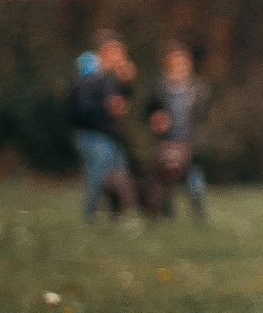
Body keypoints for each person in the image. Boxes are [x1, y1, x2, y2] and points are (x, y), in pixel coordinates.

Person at [69, 35, 137, 222]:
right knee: (97, 179)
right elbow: (81, 107)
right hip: (92, 136)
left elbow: (119, 103)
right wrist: (106, 107)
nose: (122, 57)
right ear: (105, 52)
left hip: (108, 136)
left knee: (119, 176)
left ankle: (116, 216)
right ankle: (90, 217)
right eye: (118, 52)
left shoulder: (108, 78)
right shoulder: (89, 75)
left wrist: (126, 83)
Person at [143, 44, 208, 220]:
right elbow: (148, 112)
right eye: (175, 60)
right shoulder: (158, 86)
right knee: (165, 181)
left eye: (182, 60)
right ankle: (167, 216)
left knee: (194, 180)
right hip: (166, 141)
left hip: (188, 141)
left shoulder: (197, 87)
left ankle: (199, 215)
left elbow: (201, 117)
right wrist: (156, 120)